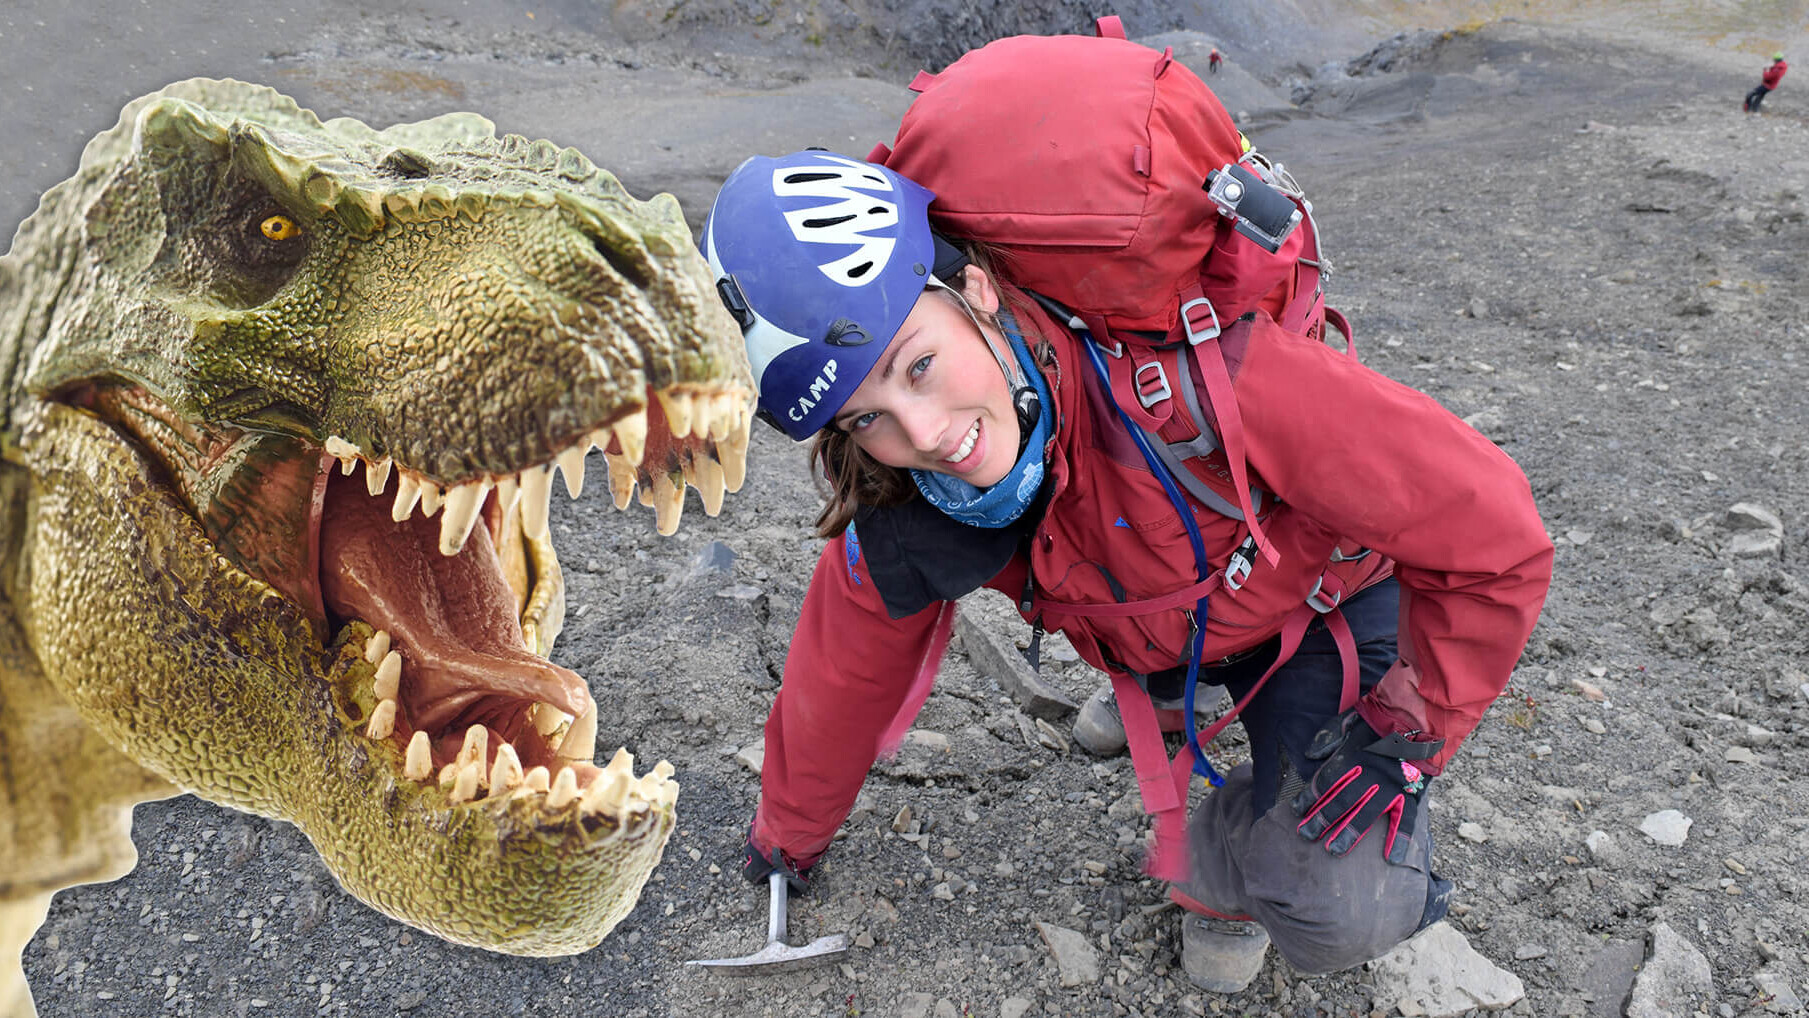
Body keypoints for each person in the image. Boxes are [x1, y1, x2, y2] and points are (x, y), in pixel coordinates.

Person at [701, 149, 1553, 991]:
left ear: (974, 292)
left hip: (1321, 612)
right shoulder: (919, 505)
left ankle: (1227, 867)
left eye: (919, 365)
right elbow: (839, 680)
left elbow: (1491, 530)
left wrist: (1407, 735)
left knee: (1338, 903)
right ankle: (1178, 685)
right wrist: (787, 835)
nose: (923, 435)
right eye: (866, 418)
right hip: (1165, 621)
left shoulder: (1212, 383)